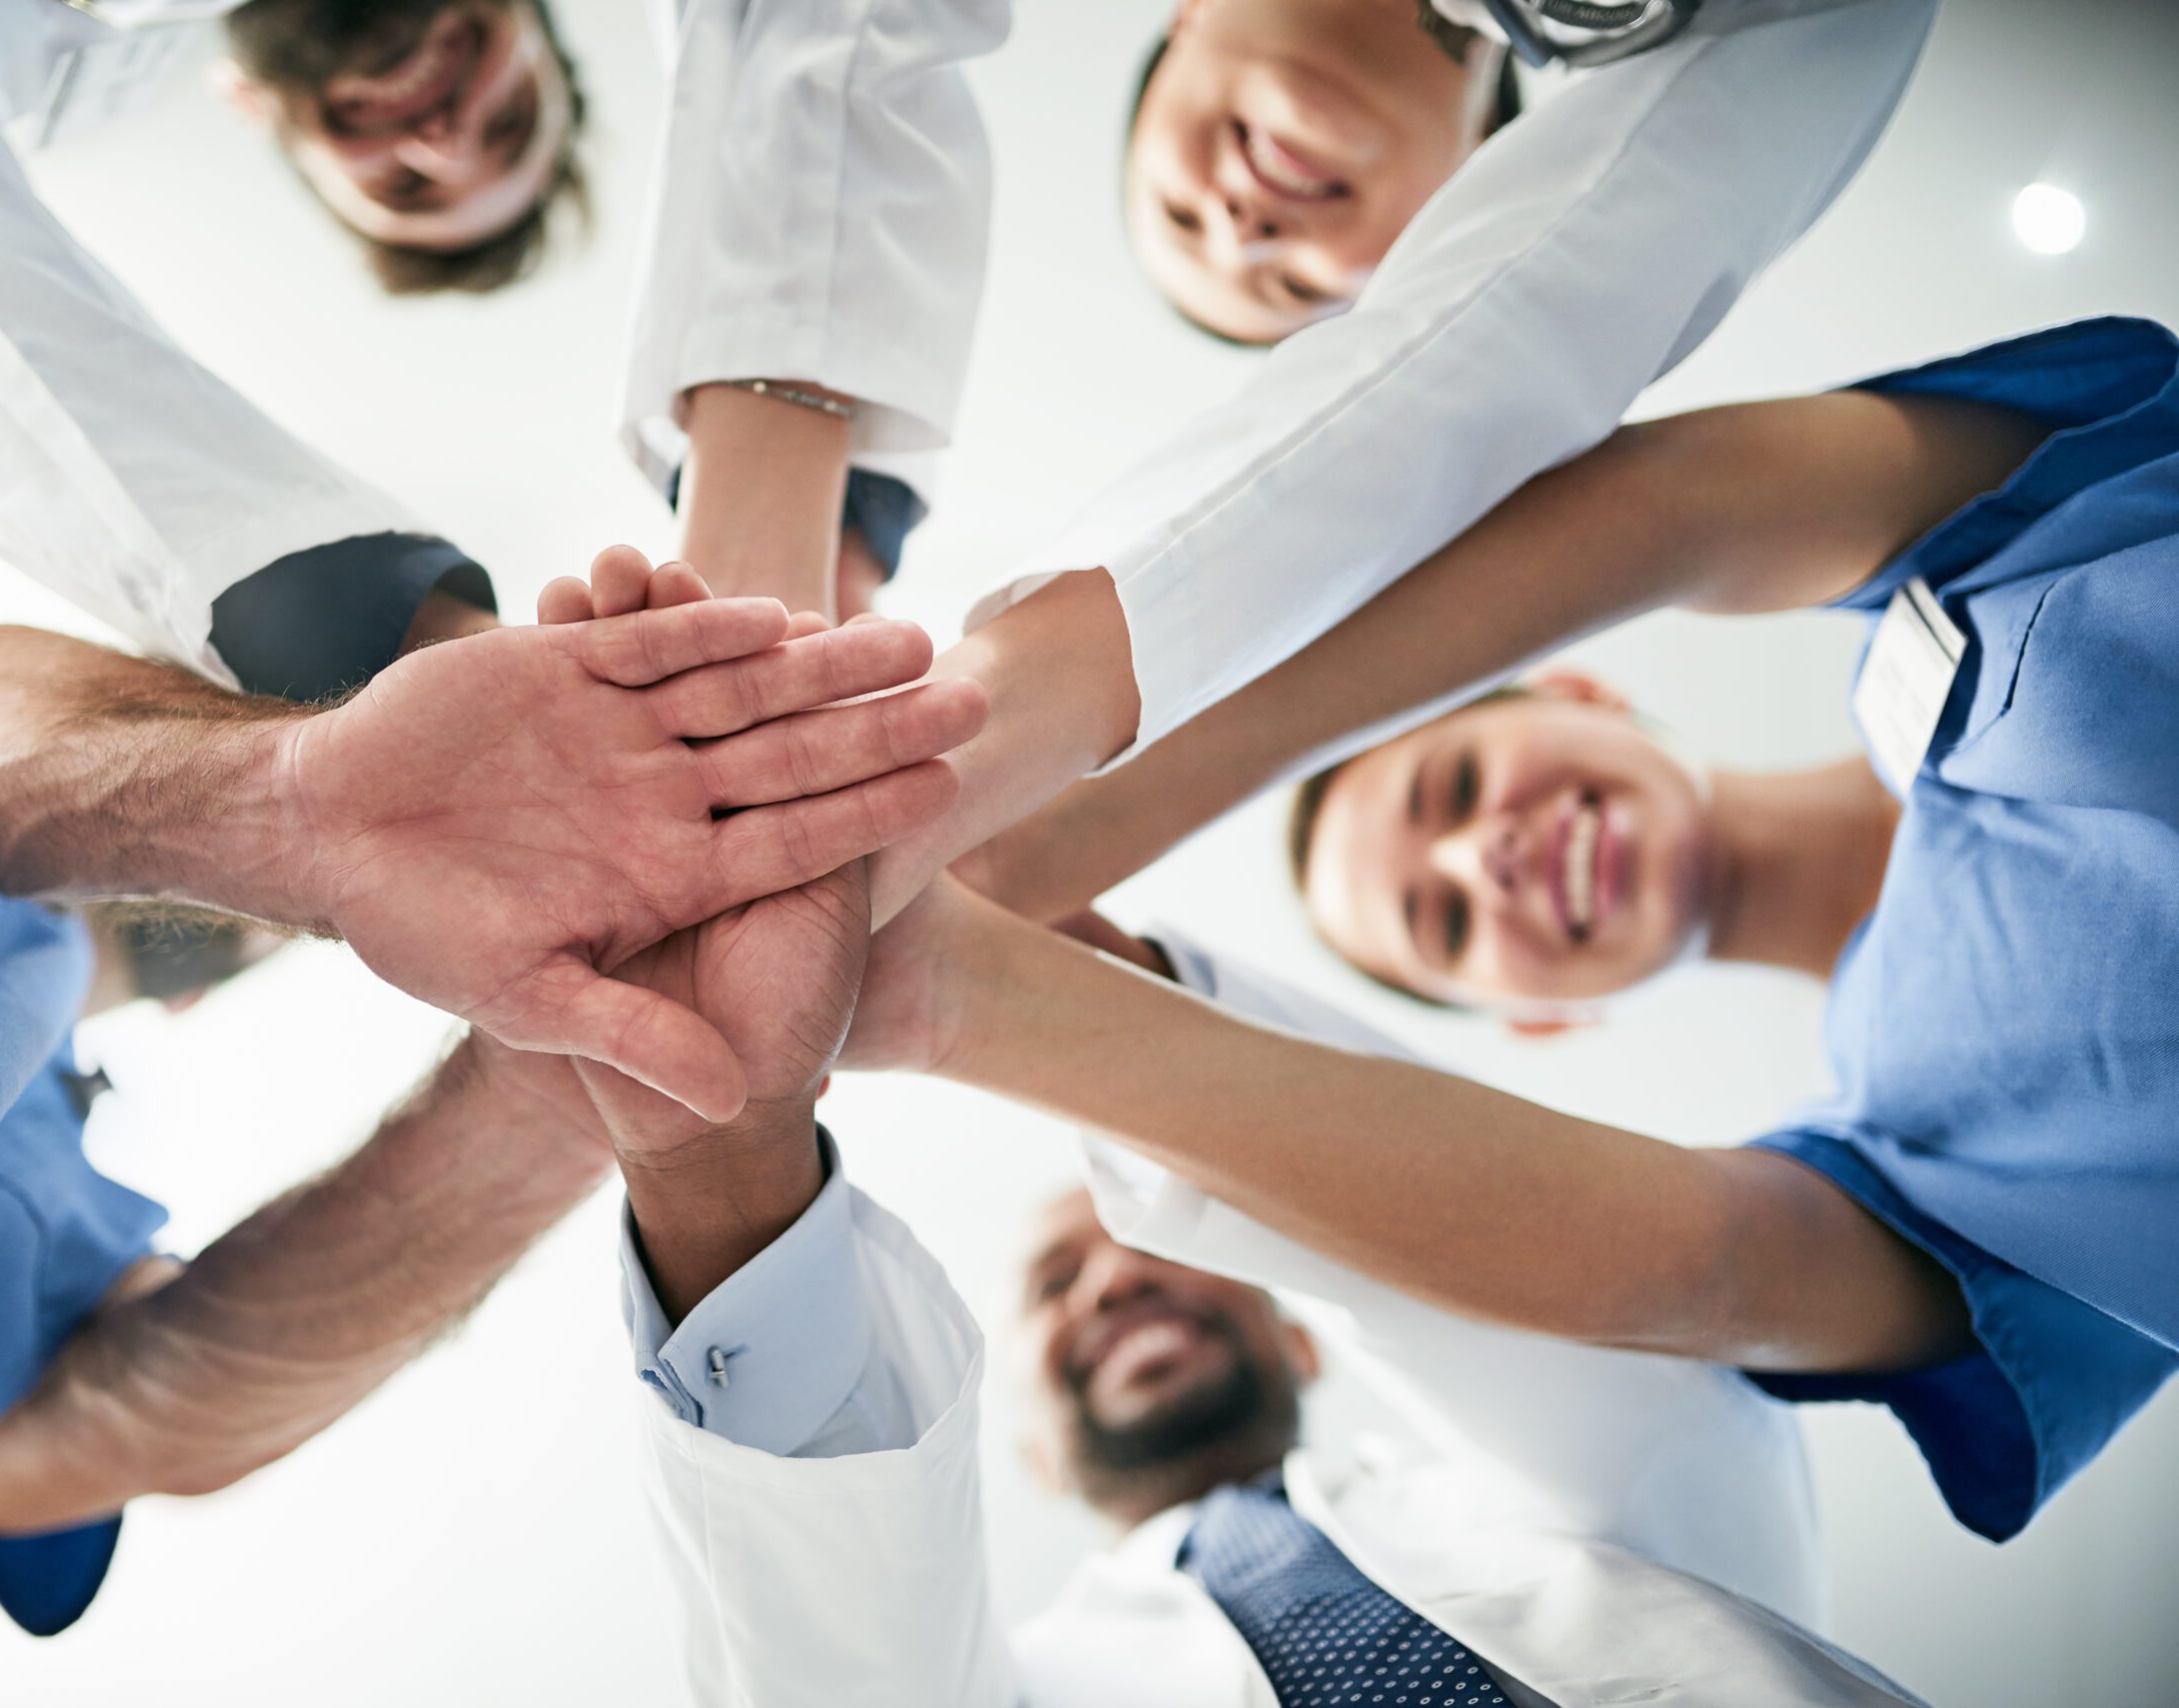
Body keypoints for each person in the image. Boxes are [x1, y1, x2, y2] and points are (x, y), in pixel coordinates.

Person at [0, 412, 980, 1705]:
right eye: (176, 710)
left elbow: (120, 1429)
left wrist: (593, 1076)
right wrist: (278, 803)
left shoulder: (51, 1211)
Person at [855, 314, 2179, 1543]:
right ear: (1539, 1013)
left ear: (1584, 690)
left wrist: (1062, 823)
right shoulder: (1921, 1178)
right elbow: (1694, 1270)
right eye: (1445, 922)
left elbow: (1672, 505)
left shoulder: (2003, 543)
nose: (1484, 856)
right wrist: (969, 995)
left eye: (1458, 785)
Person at [458, 594, 1922, 1702]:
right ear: (1019, 1437)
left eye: (1151, 1247)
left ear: (1308, 1333)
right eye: (1051, 1288)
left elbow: (1603, 1330)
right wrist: (714, 1144)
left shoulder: (1605, 1521)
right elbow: (838, 1658)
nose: (1111, 1291)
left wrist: (1085, 999)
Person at [616, 0, 1936, 871]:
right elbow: (1546, 308)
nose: (1246, 232)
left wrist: (786, 515)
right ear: (1463, 203)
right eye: (1302, 290)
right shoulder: (1744, 49)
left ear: (1184, 26)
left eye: (1183, 216)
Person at [0, 0, 587, 702]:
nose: (445, 141)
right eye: (510, 123)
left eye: (406, 188)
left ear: (251, 102)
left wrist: (403, 650)